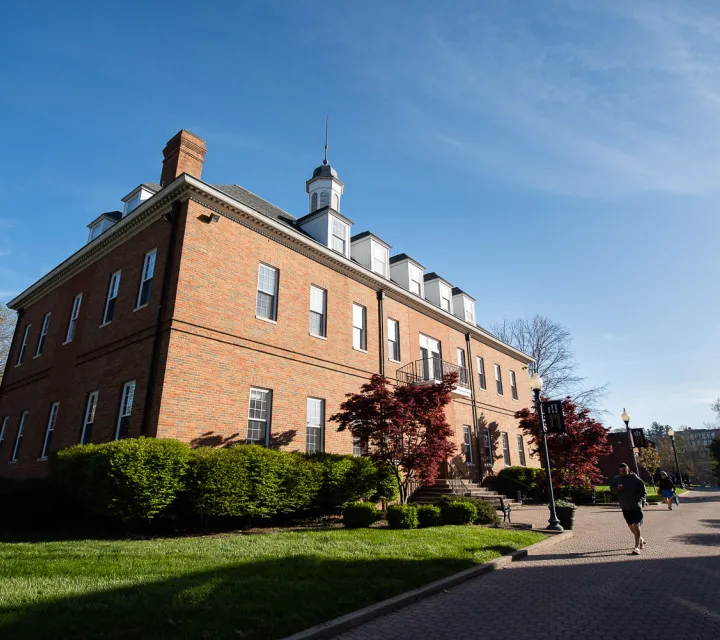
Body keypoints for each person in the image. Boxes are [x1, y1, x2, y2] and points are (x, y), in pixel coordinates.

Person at [609, 463, 647, 555]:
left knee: (635, 525)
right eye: (621, 471)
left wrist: (637, 500)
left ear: (628, 470)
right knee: (630, 526)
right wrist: (617, 489)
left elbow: (643, 492)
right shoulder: (617, 479)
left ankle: (636, 547)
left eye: (624, 471)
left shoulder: (636, 480)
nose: (622, 473)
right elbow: (612, 489)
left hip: (635, 506)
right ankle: (641, 539)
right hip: (625, 506)